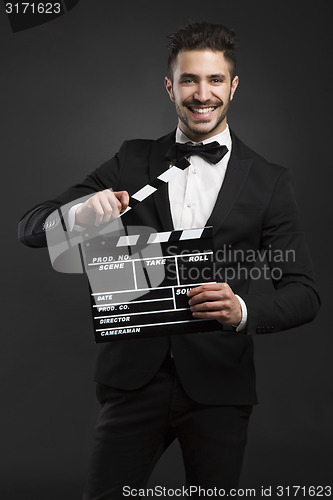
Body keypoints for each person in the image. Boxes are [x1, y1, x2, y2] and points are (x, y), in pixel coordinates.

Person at [18, 22, 320, 499]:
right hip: (133, 382)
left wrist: (242, 311)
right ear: (169, 86)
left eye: (215, 80)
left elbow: (305, 293)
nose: (202, 94)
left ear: (233, 85)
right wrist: (78, 213)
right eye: (189, 80)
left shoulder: (269, 180)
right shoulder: (131, 159)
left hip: (221, 386)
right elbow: (32, 228)